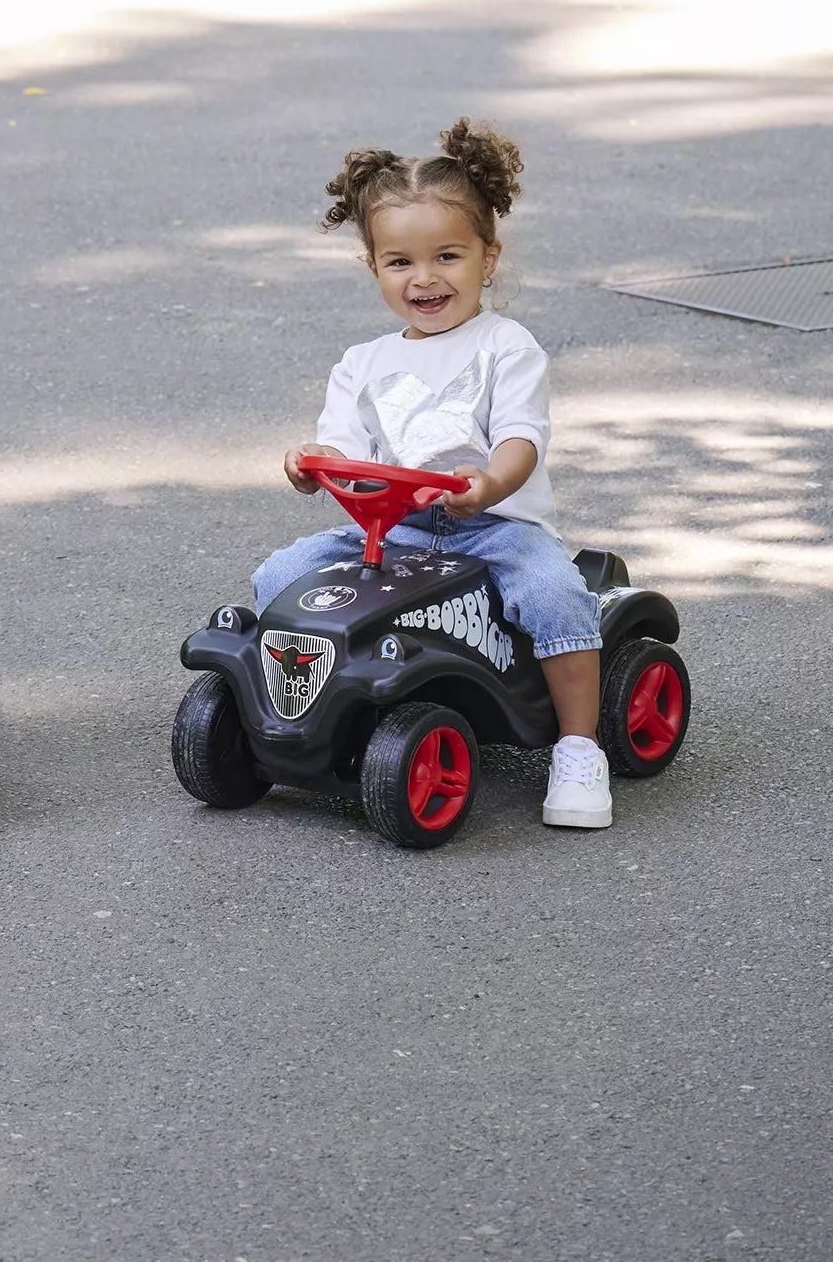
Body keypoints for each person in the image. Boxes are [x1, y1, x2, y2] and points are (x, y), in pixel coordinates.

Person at [255, 119, 612, 831]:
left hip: (491, 528)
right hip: (393, 532)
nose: (424, 278)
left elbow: (520, 437)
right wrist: (307, 467)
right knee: (280, 576)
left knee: (551, 593)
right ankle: (318, 710)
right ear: (373, 267)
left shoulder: (505, 348)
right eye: (399, 262)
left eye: (446, 256)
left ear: (487, 256)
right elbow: (343, 452)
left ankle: (577, 747)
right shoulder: (362, 362)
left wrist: (487, 484)